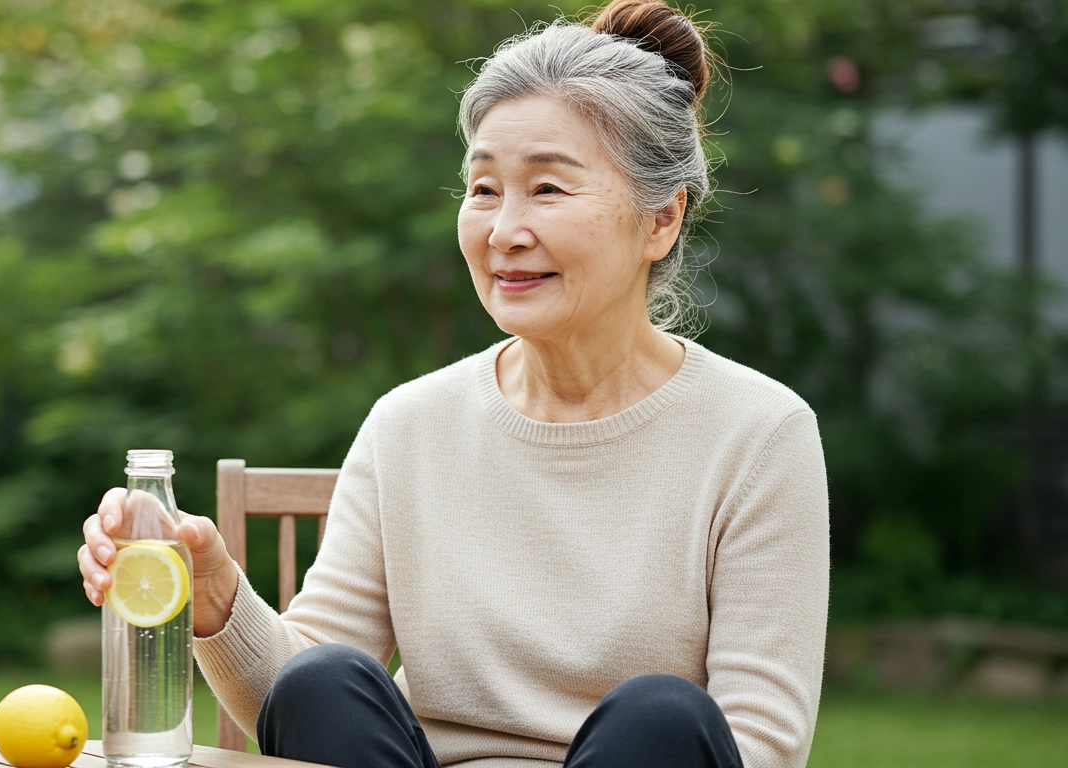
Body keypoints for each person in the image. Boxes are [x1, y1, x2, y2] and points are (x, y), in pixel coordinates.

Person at [79, 2, 829, 767]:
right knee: (322, 680)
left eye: (547, 189)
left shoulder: (758, 433)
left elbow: (757, 744)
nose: (504, 230)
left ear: (660, 220)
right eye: (482, 189)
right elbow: (299, 701)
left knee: (664, 717)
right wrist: (212, 596)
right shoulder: (411, 423)